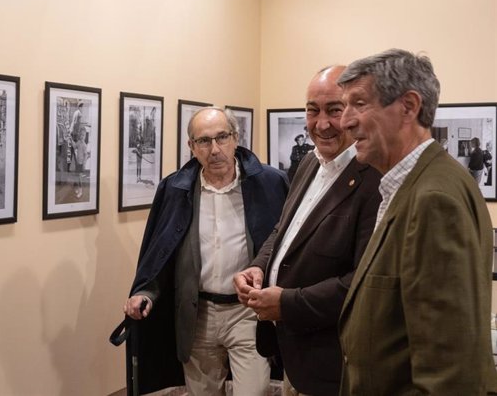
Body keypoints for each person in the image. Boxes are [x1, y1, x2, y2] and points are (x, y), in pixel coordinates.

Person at [336, 49, 497, 395]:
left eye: (359, 104)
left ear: (408, 106)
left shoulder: (433, 199)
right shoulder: (410, 185)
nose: (344, 121)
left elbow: (450, 370)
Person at [233, 66, 381, 396]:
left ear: (357, 112)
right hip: (294, 356)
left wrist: (287, 304)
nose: (322, 124)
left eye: (334, 110)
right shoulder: (309, 163)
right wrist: (259, 266)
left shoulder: (374, 179)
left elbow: (363, 283)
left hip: (336, 365)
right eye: (313, 110)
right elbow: (284, 229)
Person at [122, 107, 288, 395]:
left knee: (255, 390)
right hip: (196, 315)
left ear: (236, 138)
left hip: (247, 313)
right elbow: (160, 252)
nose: (215, 149)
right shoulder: (175, 189)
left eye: (222, 137)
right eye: (204, 141)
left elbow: (286, 242)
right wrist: (145, 292)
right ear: (191, 147)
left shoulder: (269, 183)